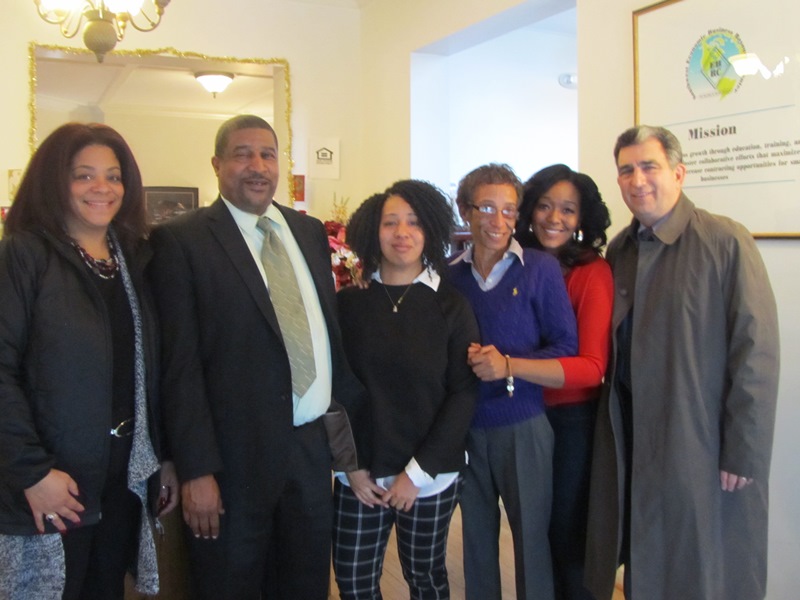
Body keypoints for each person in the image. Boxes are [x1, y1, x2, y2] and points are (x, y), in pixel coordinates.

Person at [148, 114, 364, 600]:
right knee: (230, 584)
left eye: (267, 154)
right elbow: (179, 367)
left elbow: (323, 333)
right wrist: (196, 469)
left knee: (305, 583)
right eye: (243, 153)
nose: (257, 165)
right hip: (230, 460)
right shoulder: (182, 241)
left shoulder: (307, 232)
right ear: (217, 164)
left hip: (309, 451)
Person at [584, 125, 780, 600]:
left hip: (703, 441)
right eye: (626, 170)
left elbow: (756, 353)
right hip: (636, 436)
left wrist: (743, 450)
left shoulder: (724, 241)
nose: (637, 180)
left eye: (649, 166)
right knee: (646, 557)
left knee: (707, 565)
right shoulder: (620, 250)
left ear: (678, 171)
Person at [0, 122, 178, 600]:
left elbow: (145, 373)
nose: (102, 188)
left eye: (113, 176)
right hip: (53, 479)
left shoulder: (133, 259)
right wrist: (33, 473)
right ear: (55, 181)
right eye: (83, 176)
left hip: (122, 477)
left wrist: (160, 457)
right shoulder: (23, 255)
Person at [332, 180, 479, 599]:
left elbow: (463, 393)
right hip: (359, 475)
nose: (402, 233)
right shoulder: (348, 304)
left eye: (414, 223)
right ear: (370, 232)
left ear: (430, 230)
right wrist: (351, 466)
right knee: (354, 582)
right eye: (390, 222)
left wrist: (415, 476)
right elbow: (335, 390)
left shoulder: (451, 305)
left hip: (428, 476)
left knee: (426, 579)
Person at [449, 163, 578, 600]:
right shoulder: (452, 279)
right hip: (468, 430)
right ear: (465, 210)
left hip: (524, 426)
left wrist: (508, 364)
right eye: (486, 207)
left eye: (509, 210)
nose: (498, 221)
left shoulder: (539, 269)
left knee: (531, 544)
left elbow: (565, 347)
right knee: (478, 545)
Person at [514, 164, 613, 600]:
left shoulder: (592, 272)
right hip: (523, 417)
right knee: (532, 535)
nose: (555, 218)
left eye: (568, 210)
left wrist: (510, 365)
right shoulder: (516, 263)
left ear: (582, 219)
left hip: (572, 420)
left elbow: (592, 367)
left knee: (567, 537)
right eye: (545, 206)